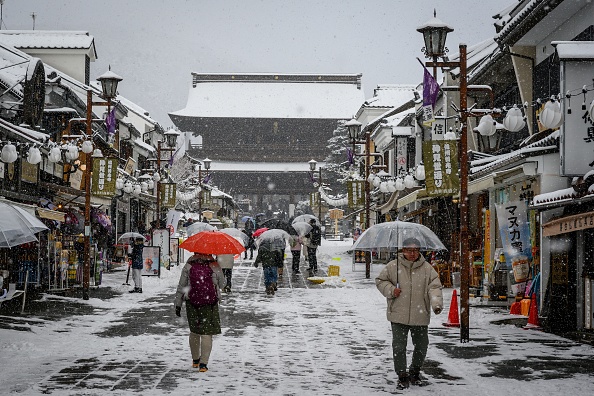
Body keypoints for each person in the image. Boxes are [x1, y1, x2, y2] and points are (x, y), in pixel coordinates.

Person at [375, 237, 443, 390]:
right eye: (409, 250)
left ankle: (415, 370)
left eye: (416, 250)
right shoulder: (393, 266)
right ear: (403, 250)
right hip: (398, 313)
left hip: (420, 314)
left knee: (422, 345)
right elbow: (380, 281)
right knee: (399, 347)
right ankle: (402, 374)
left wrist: (436, 304)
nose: (413, 253)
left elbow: (435, 287)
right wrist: (392, 290)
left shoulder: (427, 268)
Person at [175, 252, 225, 373]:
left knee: (194, 331)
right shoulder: (214, 265)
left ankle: (195, 360)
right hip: (209, 303)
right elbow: (223, 284)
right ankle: (203, 364)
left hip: (191, 301)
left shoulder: (189, 265)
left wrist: (177, 304)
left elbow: (181, 286)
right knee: (207, 333)